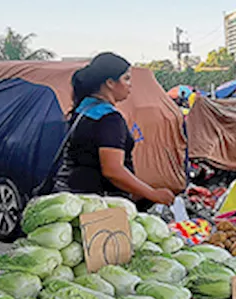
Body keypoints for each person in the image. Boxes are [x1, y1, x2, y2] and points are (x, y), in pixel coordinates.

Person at [56, 53, 177, 205]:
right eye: (126, 78)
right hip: (101, 206)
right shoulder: (109, 119)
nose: (130, 85)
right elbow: (112, 170)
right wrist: (153, 193)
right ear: (110, 83)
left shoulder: (81, 111)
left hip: (75, 199)